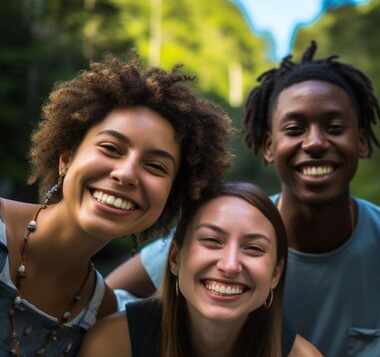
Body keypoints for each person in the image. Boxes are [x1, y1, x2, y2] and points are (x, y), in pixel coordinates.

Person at [106, 42, 380, 357]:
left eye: (334, 126)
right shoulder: (226, 234)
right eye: (295, 128)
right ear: (269, 146)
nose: (314, 142)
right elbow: (105, 300)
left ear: (362, 141)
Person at [0, 52, 233, 356]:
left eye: (155, 167)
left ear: (171, 195)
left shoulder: (102, 312)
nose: (126, 174)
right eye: (111, 148)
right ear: (66, 159)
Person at [80, 182, 322, 357]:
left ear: (275, 274)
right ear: (175, 258)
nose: (229, 265)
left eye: (254, 248)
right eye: (211, 241)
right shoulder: (115, 344)